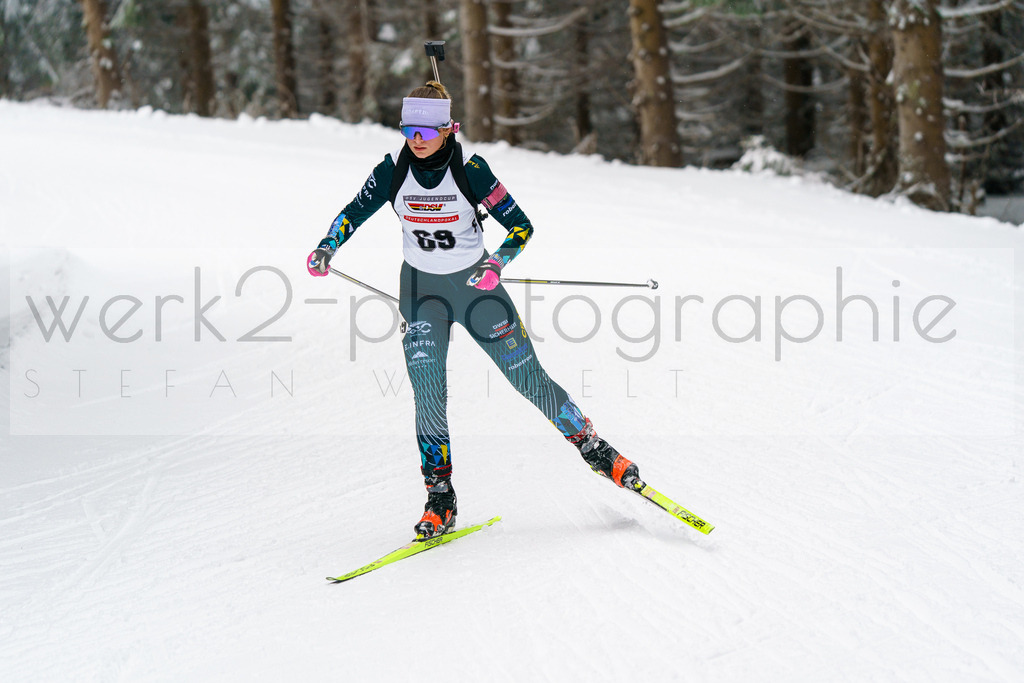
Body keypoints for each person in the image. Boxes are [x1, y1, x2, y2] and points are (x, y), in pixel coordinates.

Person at [308, 80, 642, 539]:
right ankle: (439, 499)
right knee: (428, 391)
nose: (416, 139)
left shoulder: (472, 169)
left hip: (477, 291)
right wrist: (328, 246)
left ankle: (595, 450)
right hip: (422, 293)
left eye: (426, 130)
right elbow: (353, 211)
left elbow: (520, 227)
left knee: (529, 380)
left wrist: (496, 262)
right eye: (409, 129)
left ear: (448, 128)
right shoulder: (390, 170)